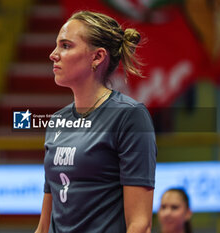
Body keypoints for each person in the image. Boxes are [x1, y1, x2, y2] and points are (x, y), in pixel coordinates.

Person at [34, 10, 157, 233]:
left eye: (66, 46)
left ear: (98, 57)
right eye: (56, 45)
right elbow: (44, 224)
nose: (53, 54)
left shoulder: (129, 116)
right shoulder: (57, 121)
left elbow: (140, 224)